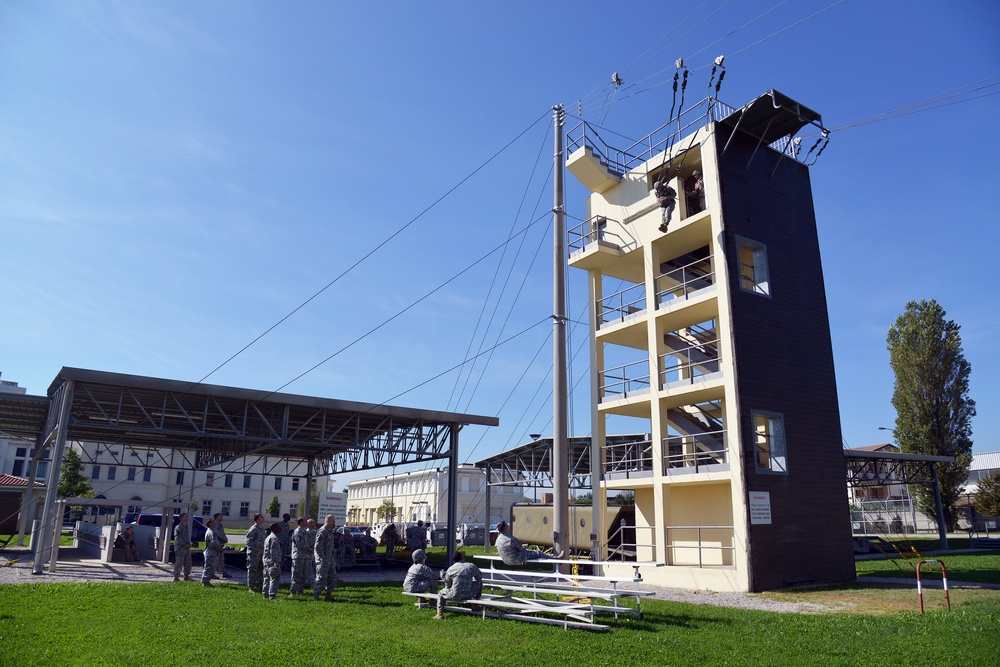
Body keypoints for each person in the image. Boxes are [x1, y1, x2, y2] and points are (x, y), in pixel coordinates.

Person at [434, 551, 482, 620]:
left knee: (441, 593)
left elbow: (448, 584)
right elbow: (479, 577)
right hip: (469, 594)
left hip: (453, 594)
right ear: (462, 557)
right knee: (480, 582)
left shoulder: (451, 569)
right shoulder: (471, 566)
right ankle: (475, 605)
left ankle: (439, 614)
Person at [495, 520, 562, 565]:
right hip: (516, 559)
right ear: (506, 527)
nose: (508, 526)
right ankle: (556, 559)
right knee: (538, 553)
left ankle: (555, 559)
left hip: (506, 561)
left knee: (528, 552)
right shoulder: (510, 539)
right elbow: (520, 548)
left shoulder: (498, 539)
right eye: (507, 525)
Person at [313, 514, 338, 601]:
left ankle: (328, 594)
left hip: (330, 559)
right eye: (333, 520)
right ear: (328, 521)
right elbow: (318, 546)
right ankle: (316, 595)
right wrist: (321, 558)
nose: (334, 522)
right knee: (321, 577)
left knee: (332, 577)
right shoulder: (322, 531)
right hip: (323, 559)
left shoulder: (330, 531)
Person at [289, 517, 314, 597]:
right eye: (305, 521)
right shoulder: (297, 532)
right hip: (298, 556)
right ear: (300, 522)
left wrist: (312, 548)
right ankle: (293, 591)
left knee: (304, 575)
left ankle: (300, 590)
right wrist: (310, 549)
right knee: (296, 574)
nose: (306, 522)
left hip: (306, 556)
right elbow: (300, 544)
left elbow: (310, 541)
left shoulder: (306, 532)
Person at [246, 513, 266, 593]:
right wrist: (255, 549)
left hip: (261, 552)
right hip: (254, 553)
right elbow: (248, 541)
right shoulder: (253, 529)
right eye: (261, 517)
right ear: (257, 519)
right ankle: (251, 587)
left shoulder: (262, 528)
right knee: (252, 570)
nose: (263, 518)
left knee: (261, 570)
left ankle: (260, 586)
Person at [262, 522, 282, 600]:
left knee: (266, 579)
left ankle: (265, 594)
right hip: (272, 562)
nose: (279, 528)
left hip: (266, 561)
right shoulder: (274, 538)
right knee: (274, 578)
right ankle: (272, 595)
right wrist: (275, 562)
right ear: (274, 528)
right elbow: (273, 551)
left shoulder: (268, 537)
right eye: (278, 527)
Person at [201, 518, 222, 586]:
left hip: (212, 552)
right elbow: (214, 542)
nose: (215, 523)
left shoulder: (211, 531)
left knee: (211, 567)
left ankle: (207, 581)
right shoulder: (211, 532)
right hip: (210, 552)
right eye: (213, 522)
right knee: (208, 567)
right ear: (210, 524)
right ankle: (205, 582)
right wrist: (220, 548)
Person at [172, 513, 192, 581]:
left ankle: (186, 576)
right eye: (185, 516)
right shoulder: (178, 527)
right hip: (180, 548)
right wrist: (184, 544)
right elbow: (177, 538)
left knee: (188, 562)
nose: (187, 517)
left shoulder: (186, 526)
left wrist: (188, 544)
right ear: (181, 518)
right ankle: (176, 577)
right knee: (179, 562)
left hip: (186, 548)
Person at [212, 513, 230, 578]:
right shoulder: (216, 525)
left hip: (221, 545)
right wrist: (225, 539)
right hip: (217, 545)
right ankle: (212, 573)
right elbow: (219, 534)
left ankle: (224, 572)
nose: (221, 517)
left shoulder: (220, 525)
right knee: (216, 559)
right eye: (220, 516)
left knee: (221, 560)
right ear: (216, 518)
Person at [306, 519, 318, 584]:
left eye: (313, 522)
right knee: (309, 567)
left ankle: (315, 581)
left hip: (315, 551)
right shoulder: (306, 532)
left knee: (316, 566)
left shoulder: (316, 532)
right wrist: (310, 549)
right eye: (311, 523)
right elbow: (305, 542)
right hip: (309, 552)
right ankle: (311, 582)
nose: (313, 524)